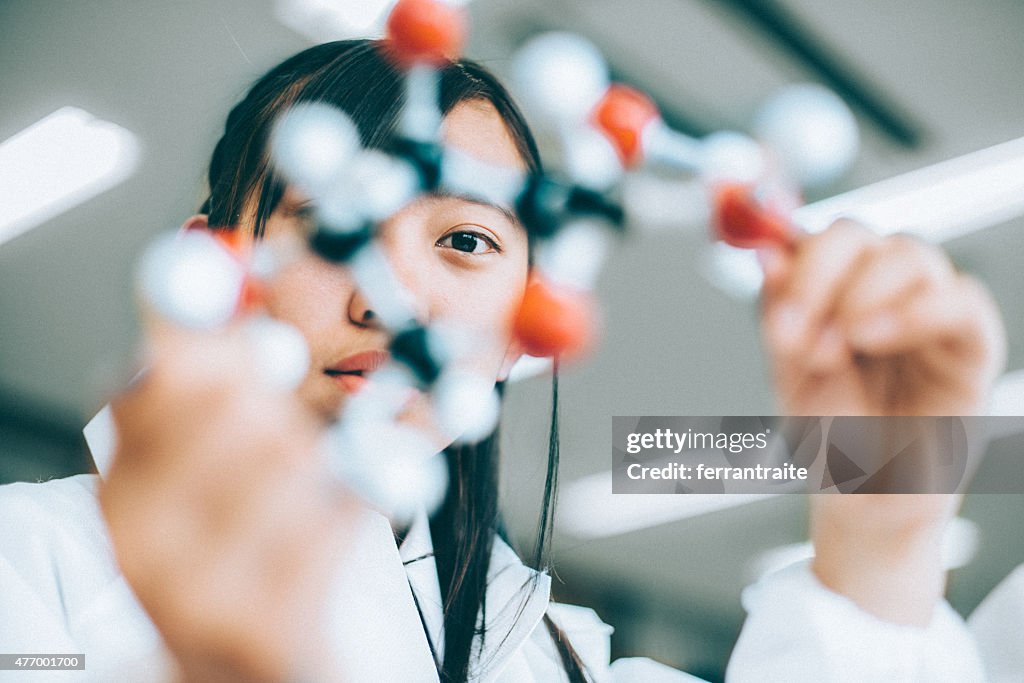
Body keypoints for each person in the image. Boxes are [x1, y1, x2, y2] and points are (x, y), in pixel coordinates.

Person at [0, 39, 1011, 682]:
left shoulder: (556, 652)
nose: (389, 298)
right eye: (328, 224)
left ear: (532, 310)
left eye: (466, 242)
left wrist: (887, 510)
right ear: (208, 266)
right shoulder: (28, 564)